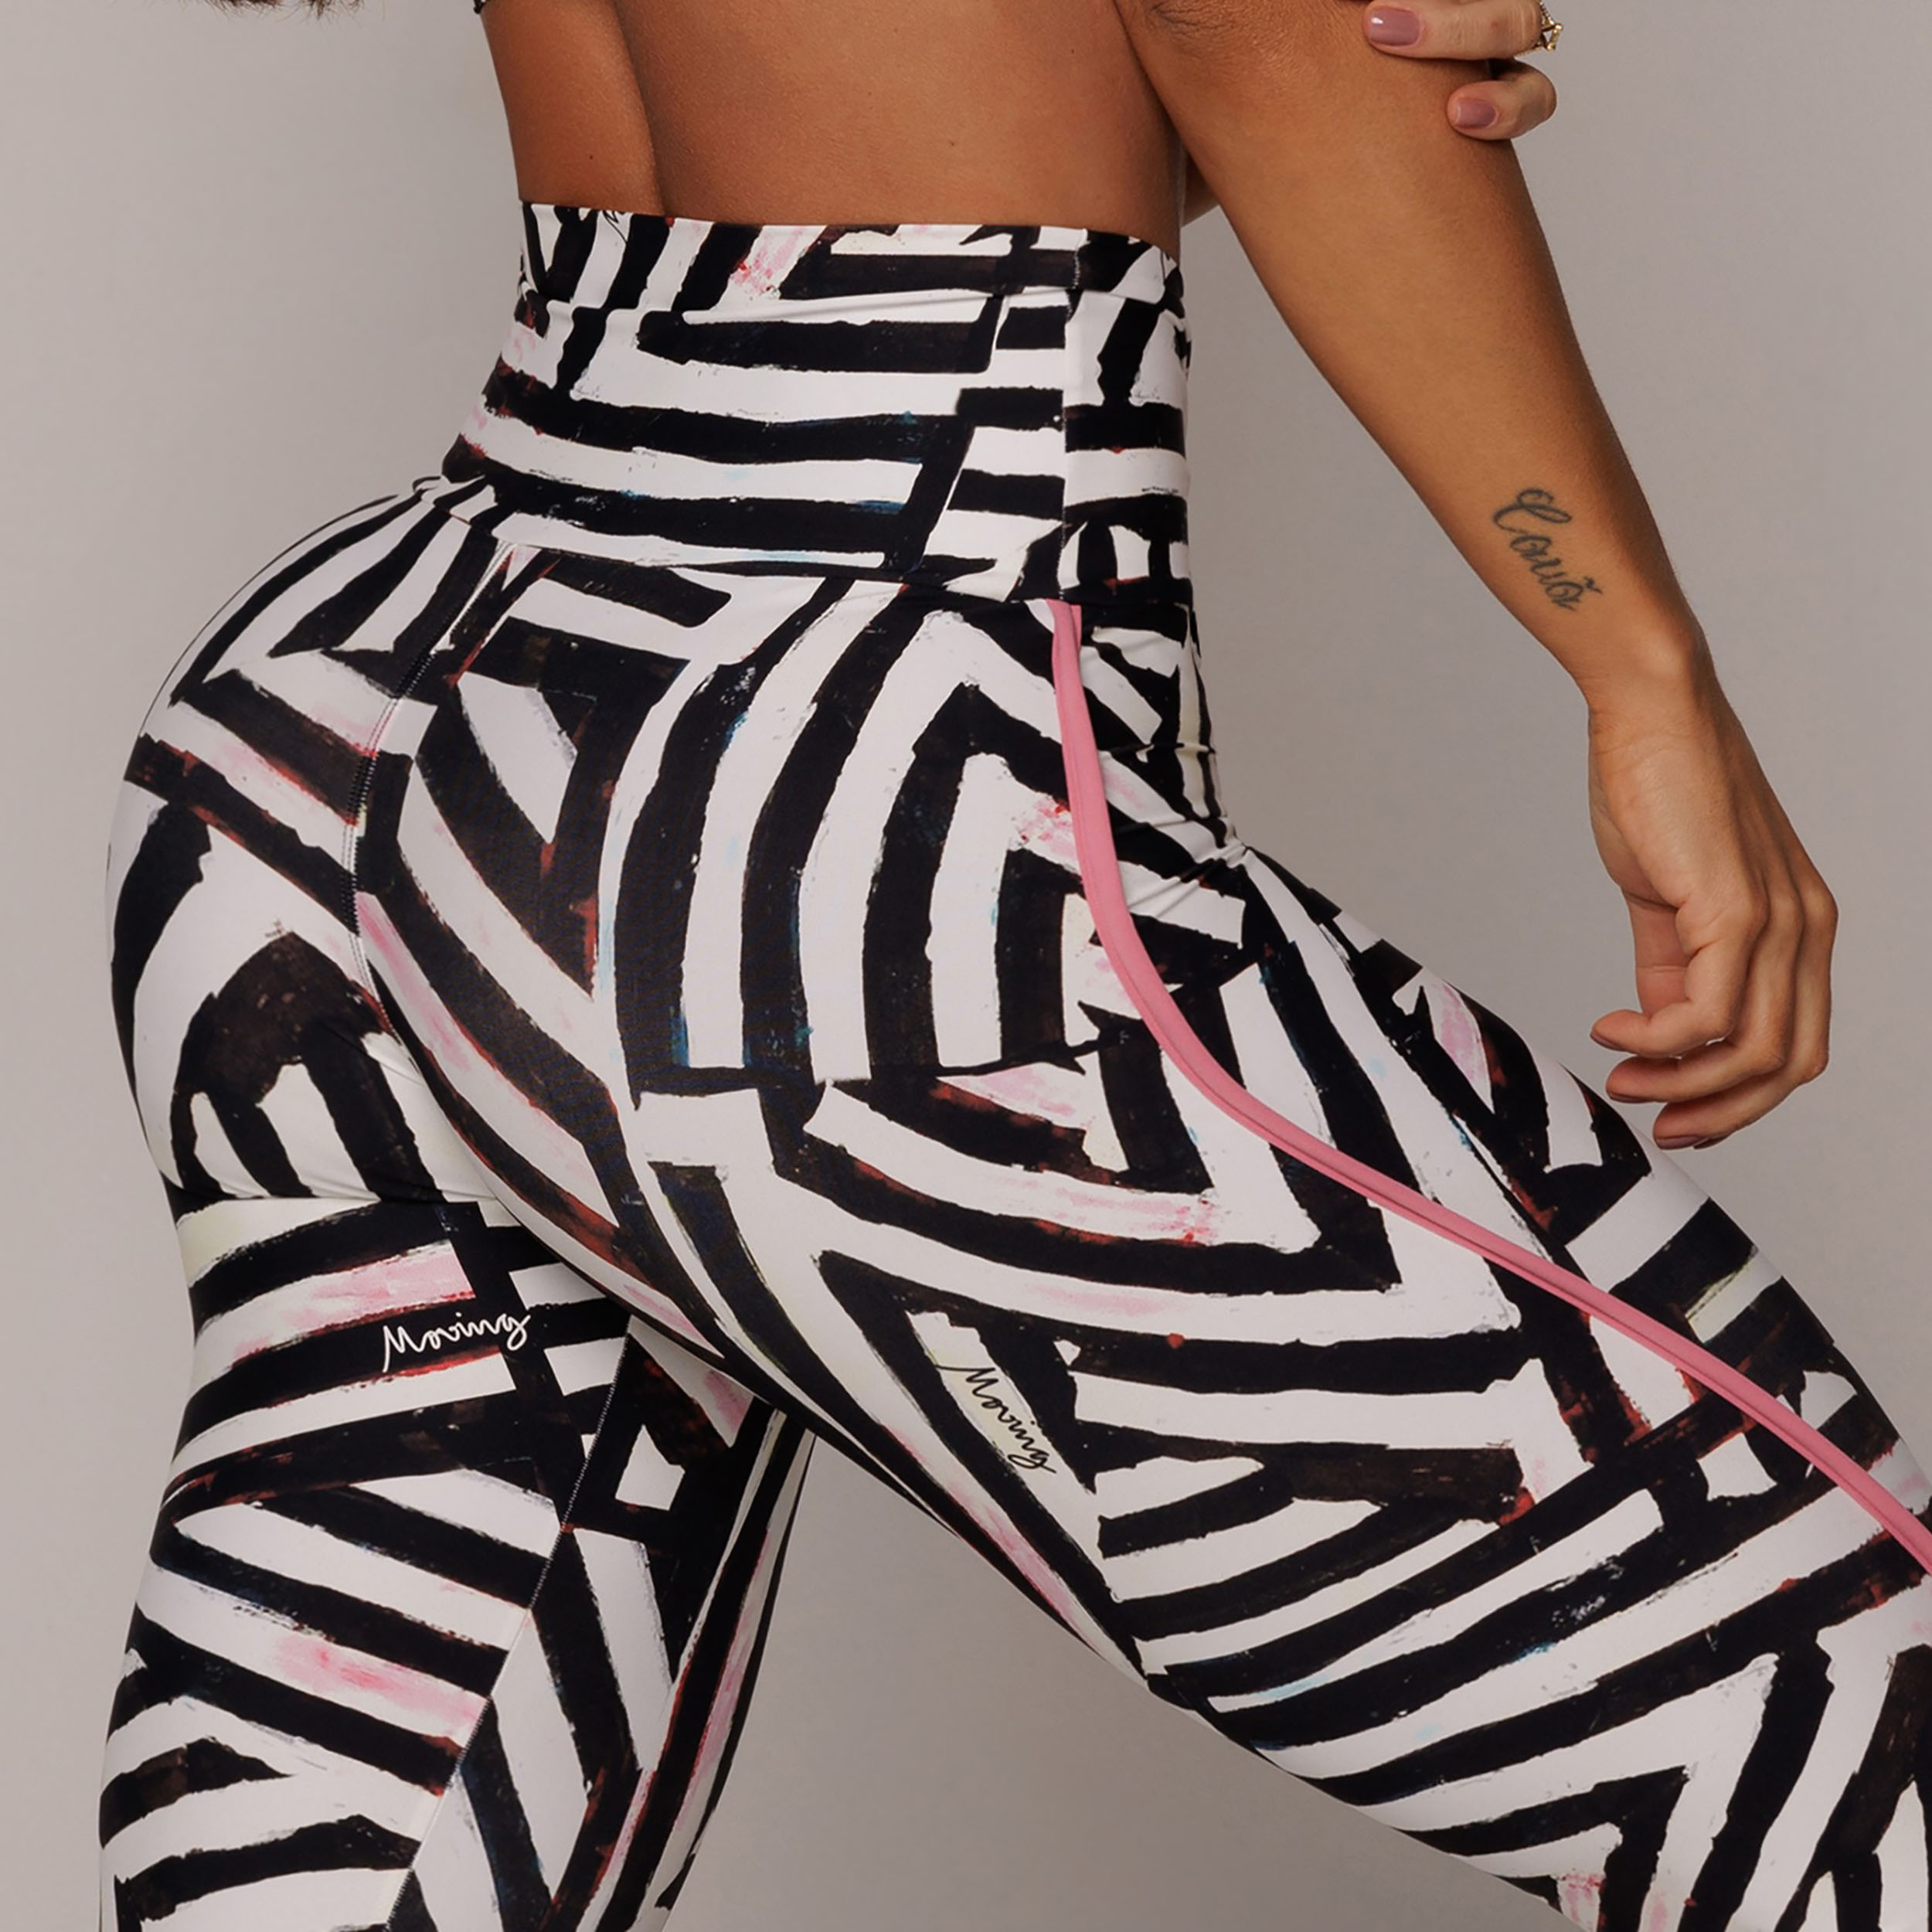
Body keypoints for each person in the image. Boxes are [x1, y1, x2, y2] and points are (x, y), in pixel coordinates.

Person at [95, 2, 1929, 1929]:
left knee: (348, 1874)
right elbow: (1244, 21)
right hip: (827, 771)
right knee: (1831, 1727)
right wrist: (1641, 669)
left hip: (346, 730)